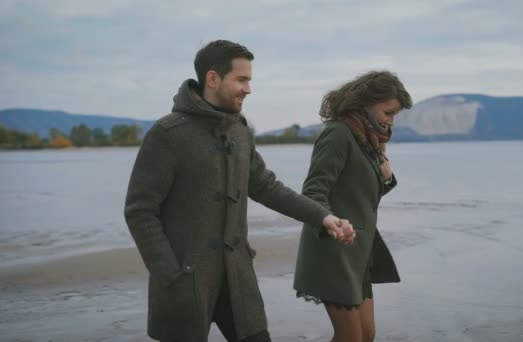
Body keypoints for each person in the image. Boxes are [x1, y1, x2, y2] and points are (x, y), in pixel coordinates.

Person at [124, 40, 355, 342]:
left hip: (237, 278)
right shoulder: (168, 134)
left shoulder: (241, 131)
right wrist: (170, 273)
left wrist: (323, 217)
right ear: (212, 78)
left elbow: (266, 186)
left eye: (249, 80)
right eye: (242, 79)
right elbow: (139, 211)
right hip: (186, 282)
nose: (248, 89)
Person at [293, 70, 412, 342]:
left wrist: (386, 172)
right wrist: (329, 221)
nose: (391, 121)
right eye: (387, 113)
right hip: (334, 250)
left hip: (359, 253)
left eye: (394, 115)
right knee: (351, 338)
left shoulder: (367, 139)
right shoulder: (338, 134)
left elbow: (366, 193)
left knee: (366, 335)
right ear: (366, 104)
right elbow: (313, 190)